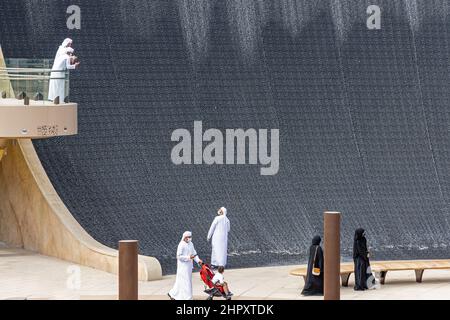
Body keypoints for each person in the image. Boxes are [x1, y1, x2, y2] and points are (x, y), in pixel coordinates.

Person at [168, 231, 203, 300]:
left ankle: (172, 293)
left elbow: (194, 254)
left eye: (190, 237)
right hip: (183, 267)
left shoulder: (191, 244)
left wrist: (198, 260)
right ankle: (188, 298)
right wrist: (188, 257)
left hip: (189, 266)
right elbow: (178, 256)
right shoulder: (181, 245)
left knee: (181, 281)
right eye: (189, 237)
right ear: (185, 237)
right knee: (186, 282)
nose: (190, 238)